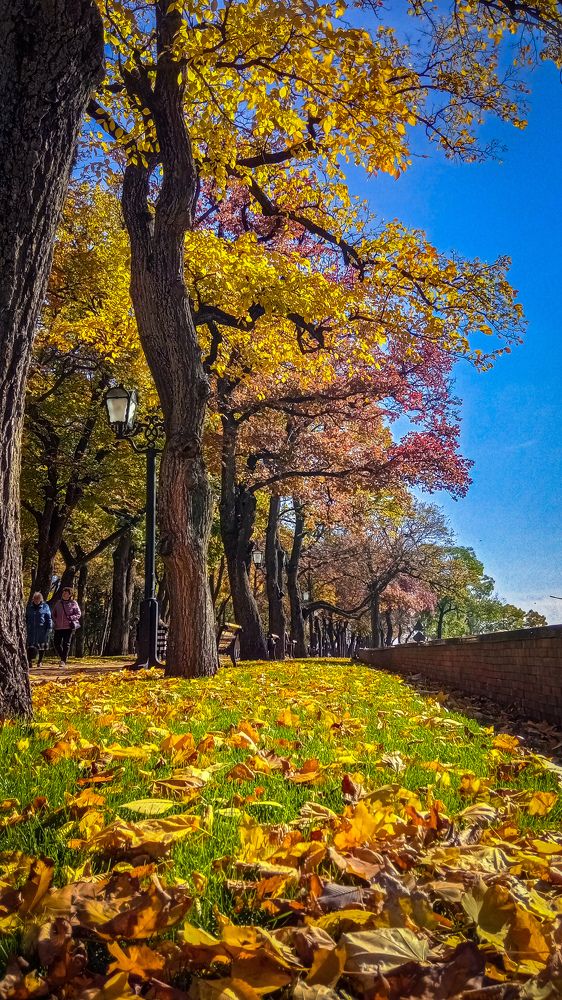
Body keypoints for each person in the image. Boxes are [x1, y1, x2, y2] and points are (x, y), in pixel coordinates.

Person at [52, 587, 81, 667]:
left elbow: (78, 614)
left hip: (68, 627)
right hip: (58, 627)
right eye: (63, 592)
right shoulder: (58, 603)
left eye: (66, 593)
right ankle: (63, 657)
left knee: (66, 644)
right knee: (56, 643)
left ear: (70, 595)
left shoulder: (73, 603)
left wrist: (71, 618)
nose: (64, 594)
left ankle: (63, 661)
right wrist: (55, 621)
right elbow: (53, 613)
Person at [25, 592, 52, 669]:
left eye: (38, 599)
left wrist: (49, 627)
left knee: (42, 646)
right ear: (33, 599)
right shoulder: (29, 607)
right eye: (35, 598)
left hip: (42, 629)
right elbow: (26, 617)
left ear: (41, 599)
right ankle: (29, 661)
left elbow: (48, 618)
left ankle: (40, 661)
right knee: (30, 646)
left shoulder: (45, 607)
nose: (36, 600)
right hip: (31, 629)